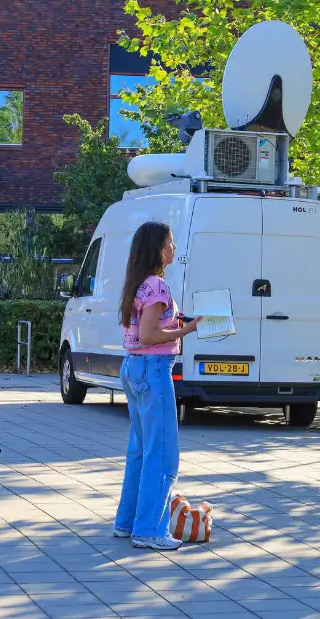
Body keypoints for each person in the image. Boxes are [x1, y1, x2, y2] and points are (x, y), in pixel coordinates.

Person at [114, 221, 202, 551]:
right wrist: (187, 331)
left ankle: (127, 522)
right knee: (163, 456)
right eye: (170, 242)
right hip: (153, 370)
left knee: (140, 450)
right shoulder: (158, 286)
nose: (174, 248)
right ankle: (149, 529)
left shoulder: (138, 284)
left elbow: (145, 328)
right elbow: (150, 336)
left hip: (134, 368)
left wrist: (174, 323)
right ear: (158, 249)